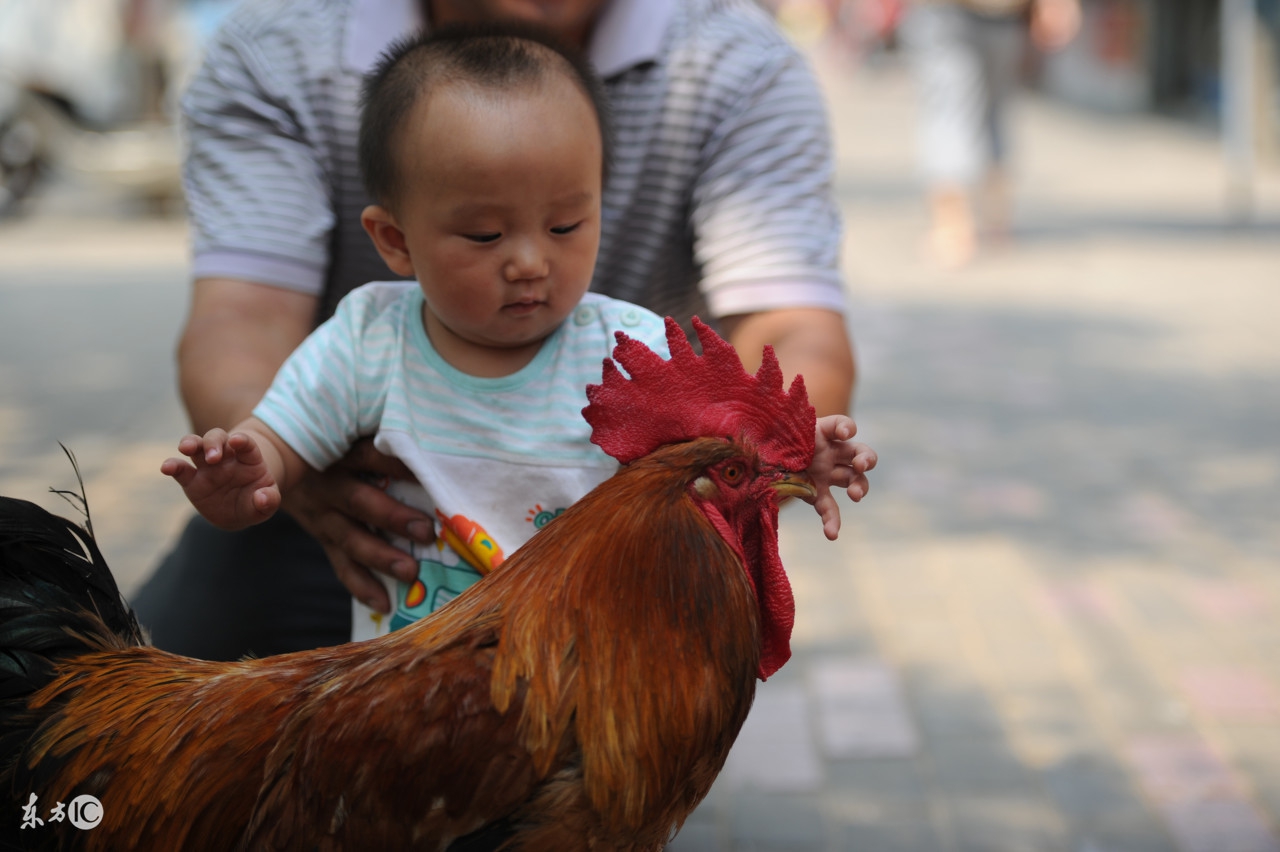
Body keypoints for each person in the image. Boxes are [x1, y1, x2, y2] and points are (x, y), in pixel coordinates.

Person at [134, 0, 861, 659]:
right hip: (378, 555)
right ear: (394, 242)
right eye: (483, 234)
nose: (528, 262)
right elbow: (245, 322)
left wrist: (784, 448)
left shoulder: (631, 334)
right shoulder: (367, 329)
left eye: (568, 225)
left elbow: (790, 327)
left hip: (585, 626)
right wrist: (265, 465)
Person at [899, 0, 1080, 267]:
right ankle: (991, 220)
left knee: (953, 109)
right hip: (990, 13)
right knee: (988, 109)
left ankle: (956, 227)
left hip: (963, 14)